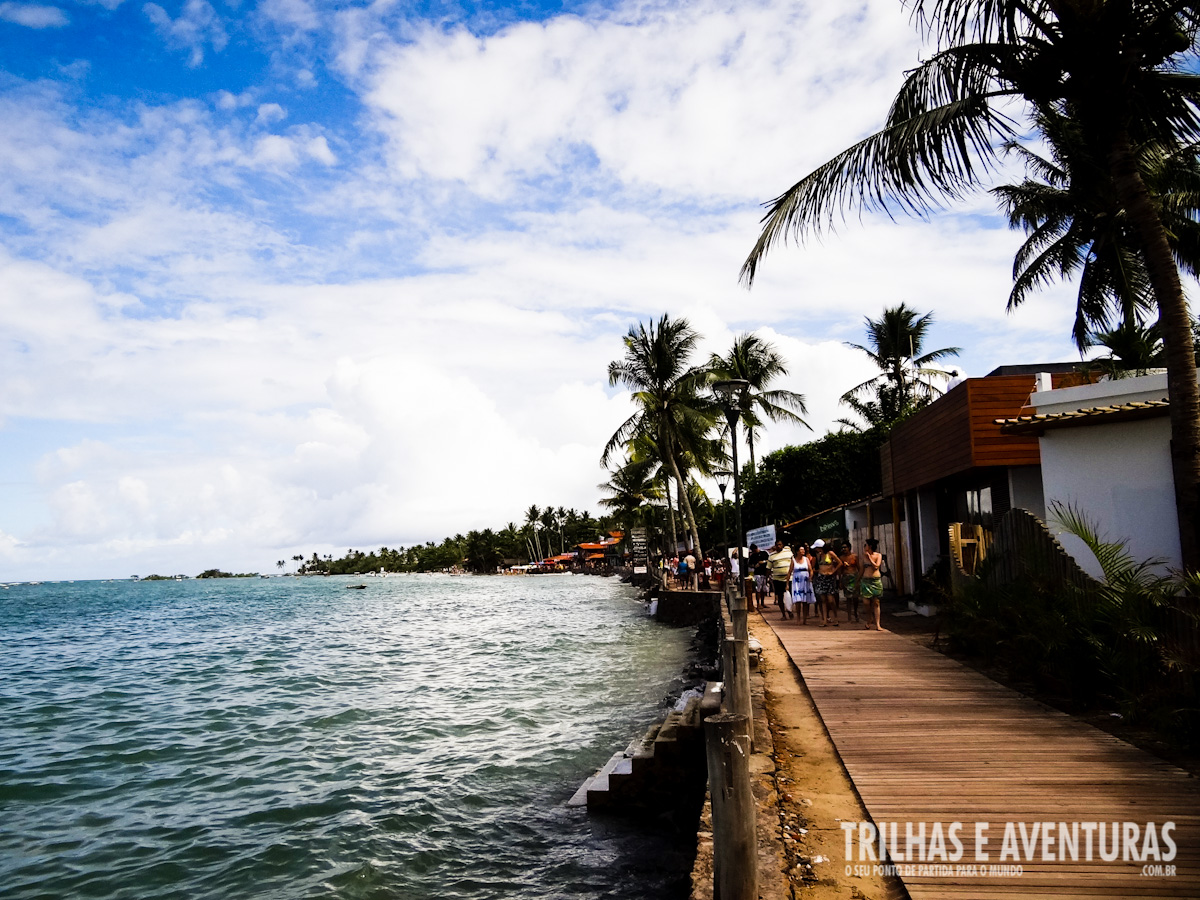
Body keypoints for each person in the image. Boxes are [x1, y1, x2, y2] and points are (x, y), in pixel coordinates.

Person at [812, 539, 842, 626]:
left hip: (830, 577)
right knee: (823, 600)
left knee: (831, 600)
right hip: (821, 577)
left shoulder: (830, 554)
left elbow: (840, 563)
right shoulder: (818, 556)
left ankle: (835, 617)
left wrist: (834, 571)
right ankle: (824, 619)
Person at [860, 538, 884, 630]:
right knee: (866, 602)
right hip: (866, 581)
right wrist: (858, 580)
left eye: (866, 545)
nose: (864, 547)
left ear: (869, 546)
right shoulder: (863, 557)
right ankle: (869, 617)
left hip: (875, 580)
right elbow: (862, 569)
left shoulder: (878, 555)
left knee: (876, 602)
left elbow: (876, 566)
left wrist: (869, 557)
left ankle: (878, 624)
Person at [790, 542, 817, 624]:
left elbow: (810, 570)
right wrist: (787, 583)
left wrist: (810, 576)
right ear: (797, 551)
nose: (803, 551)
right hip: (797, 581)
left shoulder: (806, 559)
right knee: (798, 601)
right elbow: (789, 572)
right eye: (801, 550)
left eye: (803, 550)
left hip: (806, 581)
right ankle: (798, 618)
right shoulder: (793, 560)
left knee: (805, 601)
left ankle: (805, 619)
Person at [767, 540, 795, 620]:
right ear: (775, 546)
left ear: (782, 545)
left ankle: (789, 610)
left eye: (780, 544)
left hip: (789, 579)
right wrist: (768, 578)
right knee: (780, 597)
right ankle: (783, 614)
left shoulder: (789, 553)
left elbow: (793, 564)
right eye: (777, 545)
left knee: (790, 596)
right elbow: (768, 568)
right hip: (777, 579)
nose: (778, 546)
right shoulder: (771, 556)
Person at [839, 540, 861, 624]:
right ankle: (849, 617)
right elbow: (840, 571)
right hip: (846, 577)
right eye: (843, 548)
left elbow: (859, 568)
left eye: (845, 547)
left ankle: (855, 612)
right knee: (848, 598)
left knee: (855, 598)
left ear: (849, 548)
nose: (844, 549)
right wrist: (840, 581)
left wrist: (859, 579)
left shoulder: (854, 556)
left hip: (854, 577)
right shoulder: (841, 558)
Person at [749, 543, 770, 611]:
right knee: (758, 589)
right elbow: (749, 564)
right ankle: (758, 604)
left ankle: (762, 603)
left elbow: (769, 561)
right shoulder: (752, 556)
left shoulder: (764, 553)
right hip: (757, 573)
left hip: (764, 573)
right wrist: (754, 566)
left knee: (763, 589)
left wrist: (763, 562)